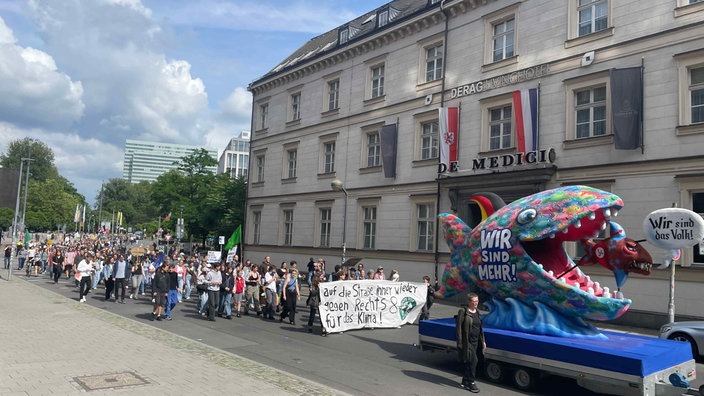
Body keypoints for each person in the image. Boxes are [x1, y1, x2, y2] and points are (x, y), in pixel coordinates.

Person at [456, 292, 486, 393]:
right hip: (467, 342)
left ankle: (465, 380)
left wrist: (483, 341)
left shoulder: (477, 311)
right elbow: (459, 327)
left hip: (476, 341)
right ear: (468, 302)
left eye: (477, 301)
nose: (476, 303)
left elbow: (480, 328)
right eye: (474, 301)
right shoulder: (463, 312)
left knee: (469, 361)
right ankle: (471, 382)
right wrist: (460, 341)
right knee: (474, 361)